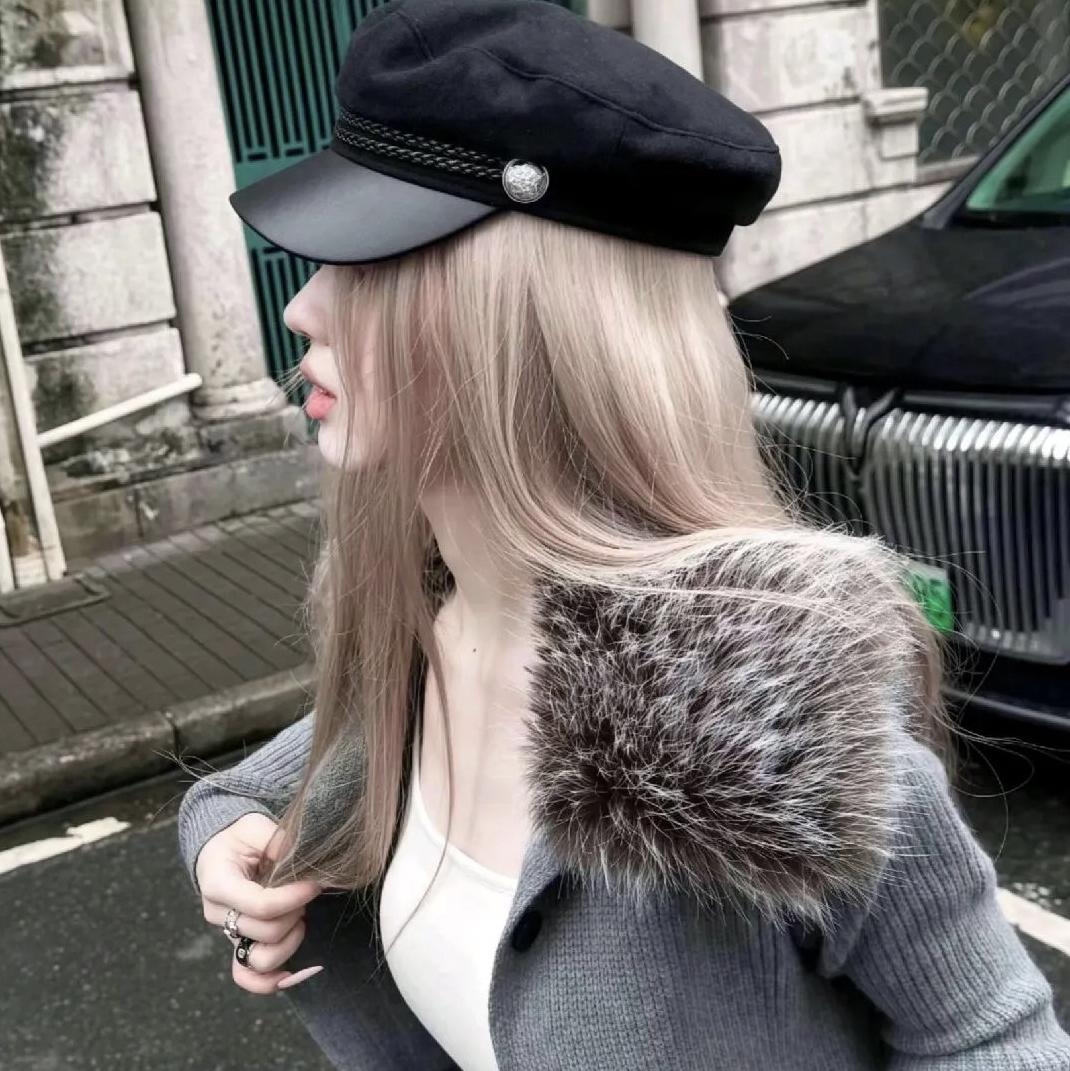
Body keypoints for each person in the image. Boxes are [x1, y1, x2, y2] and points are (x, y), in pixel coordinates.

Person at [175, 1, 1070, 1068]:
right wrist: (221, 841)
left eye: (364, 266)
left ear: (525, 331)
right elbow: (268, 784)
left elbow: (991, 1034)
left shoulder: (761, 728)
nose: (302, 309)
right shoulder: (419, 623)